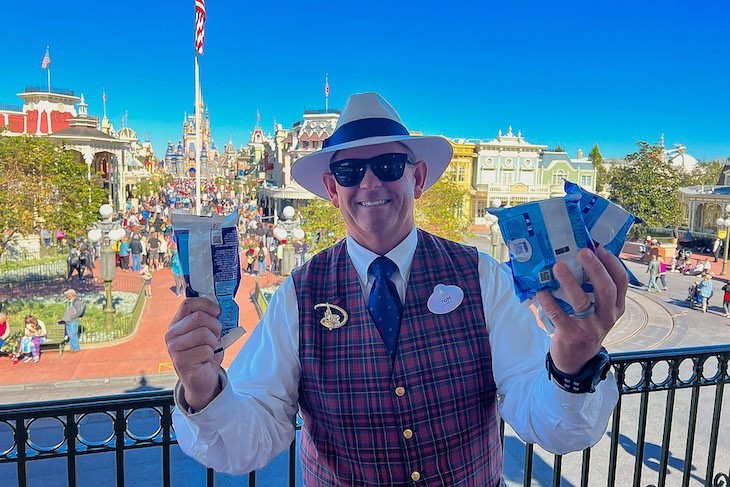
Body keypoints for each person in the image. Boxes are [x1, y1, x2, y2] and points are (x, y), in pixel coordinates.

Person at [166, 92, 626, 485]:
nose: (369, 182)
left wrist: (572, 367)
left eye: (388, 164)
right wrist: (205, 391)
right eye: (349, 171)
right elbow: (255, 435)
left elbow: (544, 418)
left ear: (417, 178)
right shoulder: (299, 294)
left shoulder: (481, 276)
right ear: (332, 188)